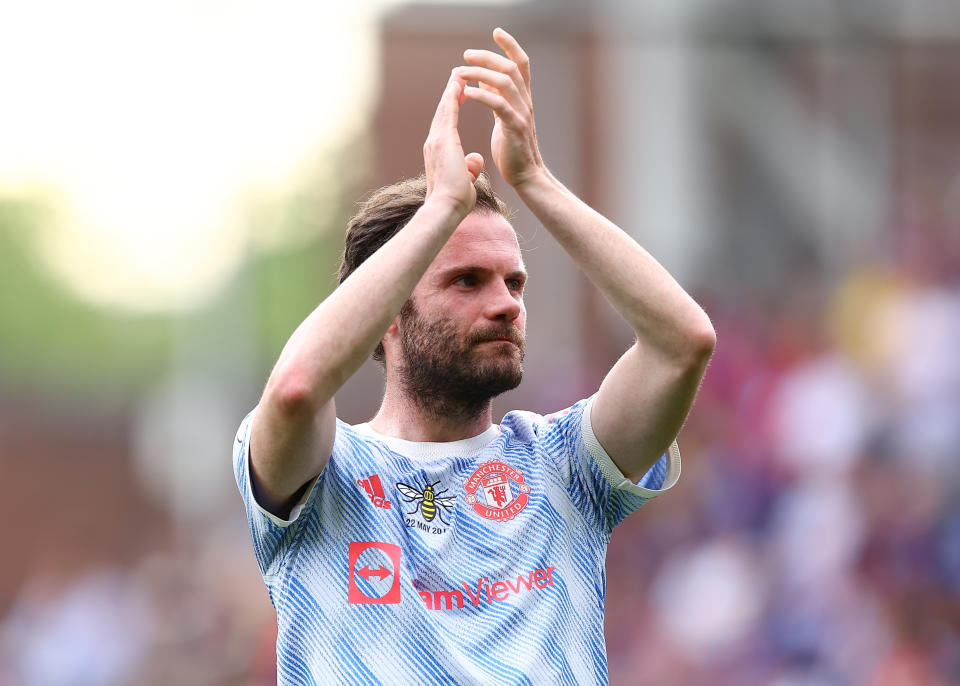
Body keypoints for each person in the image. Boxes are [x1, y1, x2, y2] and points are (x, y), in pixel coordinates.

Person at [233, 27, 715, 685]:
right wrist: (437, 212)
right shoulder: (327, 474)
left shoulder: (563, 465)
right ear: (390, 315)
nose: (505, 304)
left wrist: (535, 181)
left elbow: (682, 344)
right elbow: (294, 389)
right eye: (467, 281)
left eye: (512, 282)